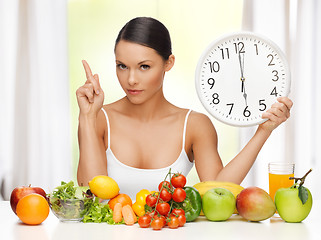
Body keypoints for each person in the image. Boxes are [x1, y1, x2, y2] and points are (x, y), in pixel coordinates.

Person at [76, 17, 293, 200]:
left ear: (168, 63)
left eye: (144, 66)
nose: (131, 79)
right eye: (122, 66)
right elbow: (90, 192)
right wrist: (86, 117)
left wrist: (264, 130)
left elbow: (217, 190)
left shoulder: (195, 125)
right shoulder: (98, 118)